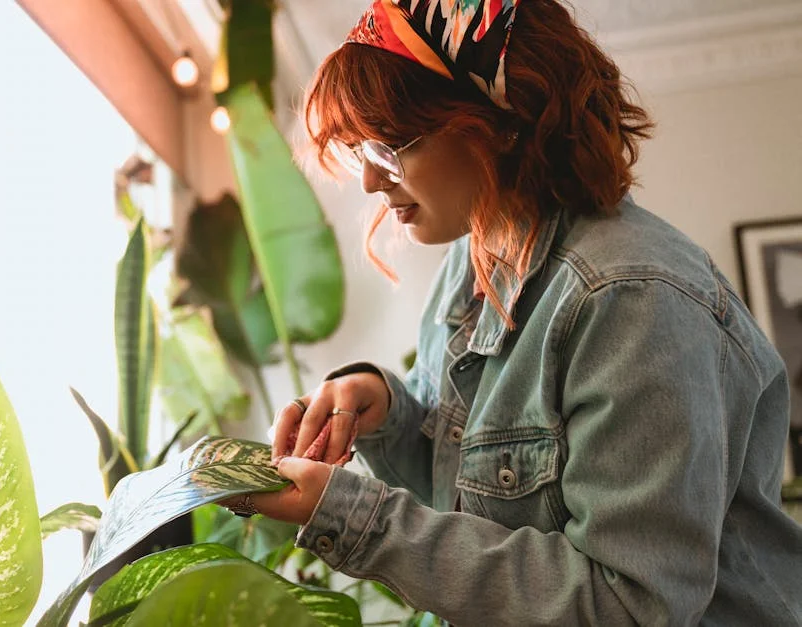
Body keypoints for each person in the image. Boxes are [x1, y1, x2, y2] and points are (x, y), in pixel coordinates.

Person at [226, 0, 802, 624]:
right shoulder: (477, 262)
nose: (370, 180)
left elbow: (629, 607)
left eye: (389, 147)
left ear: (497, 122)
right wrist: (385, 410)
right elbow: (473, 490)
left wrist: (349, 514)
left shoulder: (630, 298)